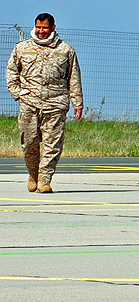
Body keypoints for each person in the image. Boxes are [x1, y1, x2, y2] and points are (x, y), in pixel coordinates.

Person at [7, 14, 83, 193]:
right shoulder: (22, 48)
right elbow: (11, 73)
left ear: (53, 27)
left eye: (45, 28)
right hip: (29, 103)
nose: (41, 31)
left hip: (56, 103)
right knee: (29, 142)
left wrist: (77, 103)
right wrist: (19, 94)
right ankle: (33, 173)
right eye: (38, 28)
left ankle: (44, 179)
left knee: (52, 144)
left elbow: (74, 77)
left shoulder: (66, 50)